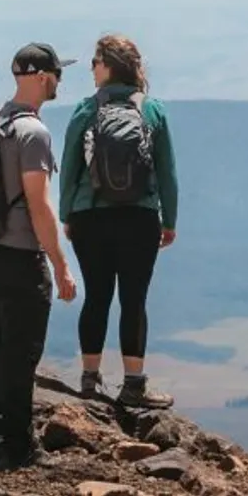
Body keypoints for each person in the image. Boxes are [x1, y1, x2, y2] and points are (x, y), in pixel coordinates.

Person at [0, 42, 80, 470]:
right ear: (41, 77)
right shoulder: (33, 133)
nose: (59, 81)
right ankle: (19, 446)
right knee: (20, 355)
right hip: (21, 258)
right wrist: (60, 263)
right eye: (56, 74)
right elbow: (39, 205)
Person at [58, 33, 180, 408]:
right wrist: (168, 220)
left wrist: (67, 214)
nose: (92, 70)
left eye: (95, 62)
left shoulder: (85, 110)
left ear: (108, 66)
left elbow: (70, 169)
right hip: (140, 218)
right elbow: (167, 171)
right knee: (134, 300)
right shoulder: (152, 110)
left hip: (90, 216)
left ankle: (90, 381)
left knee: (96, 297)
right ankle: (133, 385)